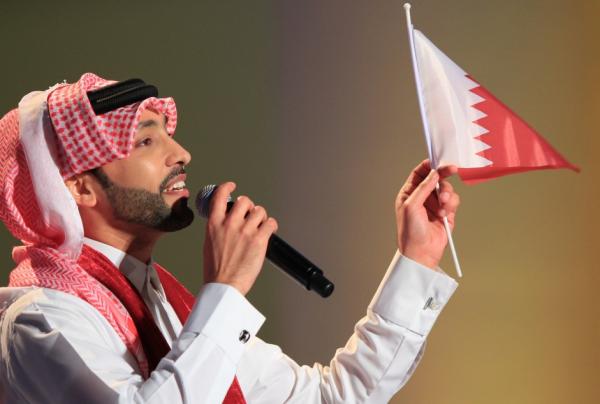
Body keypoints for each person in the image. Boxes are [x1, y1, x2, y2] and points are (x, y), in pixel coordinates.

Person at [0, 73, 460, 403]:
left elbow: (334, 396)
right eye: (145, 142)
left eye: (169, 136)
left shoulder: (169, 309)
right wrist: (225, 291)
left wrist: (416, 260)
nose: (182, 154)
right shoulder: (41, 322)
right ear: (78, 187)